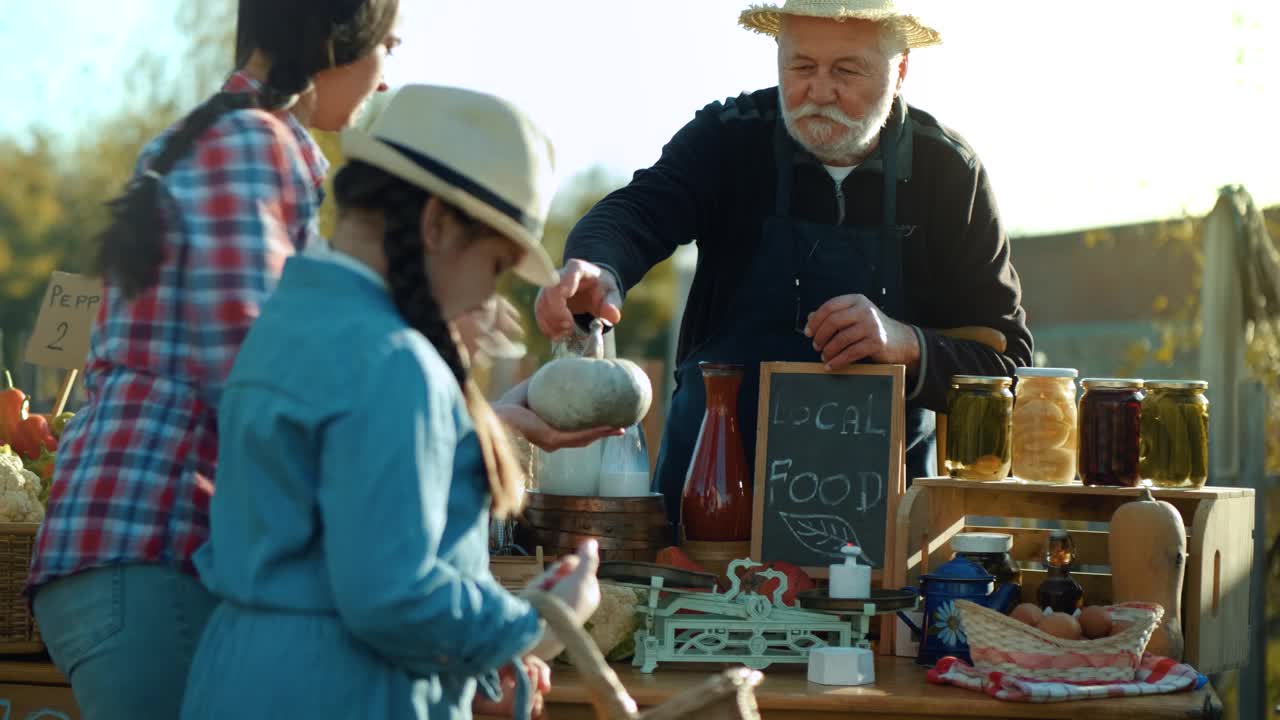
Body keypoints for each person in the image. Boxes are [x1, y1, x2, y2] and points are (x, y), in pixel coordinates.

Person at [180, 85, 602, 720]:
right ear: (436, 224)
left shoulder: (287, 321)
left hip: (237, 677)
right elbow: (392, 596)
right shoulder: (394, 362)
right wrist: (540, 620)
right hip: (340, 692)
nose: (483, 300)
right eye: (492, 267)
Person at [26, 2, 401, 717]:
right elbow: (261, 380)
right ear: (337, 37)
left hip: (123, 557)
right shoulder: (251, 144)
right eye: (390, 43)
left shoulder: (211, 137)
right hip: (151, 552)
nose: (388, 77)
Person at [535, 0, 1034, 526]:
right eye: (801, 67)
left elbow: (1010, 366)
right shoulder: (729, 138)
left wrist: (907, 344)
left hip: (881, 530)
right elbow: (637, 209)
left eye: (846, 69)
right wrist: (599, 266)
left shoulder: (949, 174)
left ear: (902, 68)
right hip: (708, 507)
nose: (819, 91)